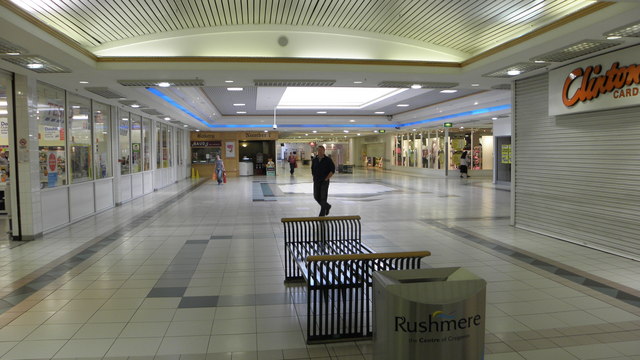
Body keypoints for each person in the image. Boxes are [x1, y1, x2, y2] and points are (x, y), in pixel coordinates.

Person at [311, 146, 335, 216]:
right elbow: (312, 169)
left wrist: (326, 179)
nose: (320, 152)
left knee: (323, 197)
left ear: (324, 151)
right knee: (316, 196)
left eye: (321, 150)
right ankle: (327, 206)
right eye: (318, 150)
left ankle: (322, 213)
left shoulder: (328, 160)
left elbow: (332, 170)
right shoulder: (314, 160)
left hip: (324, 181)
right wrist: (314, 177)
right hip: (316, 181)